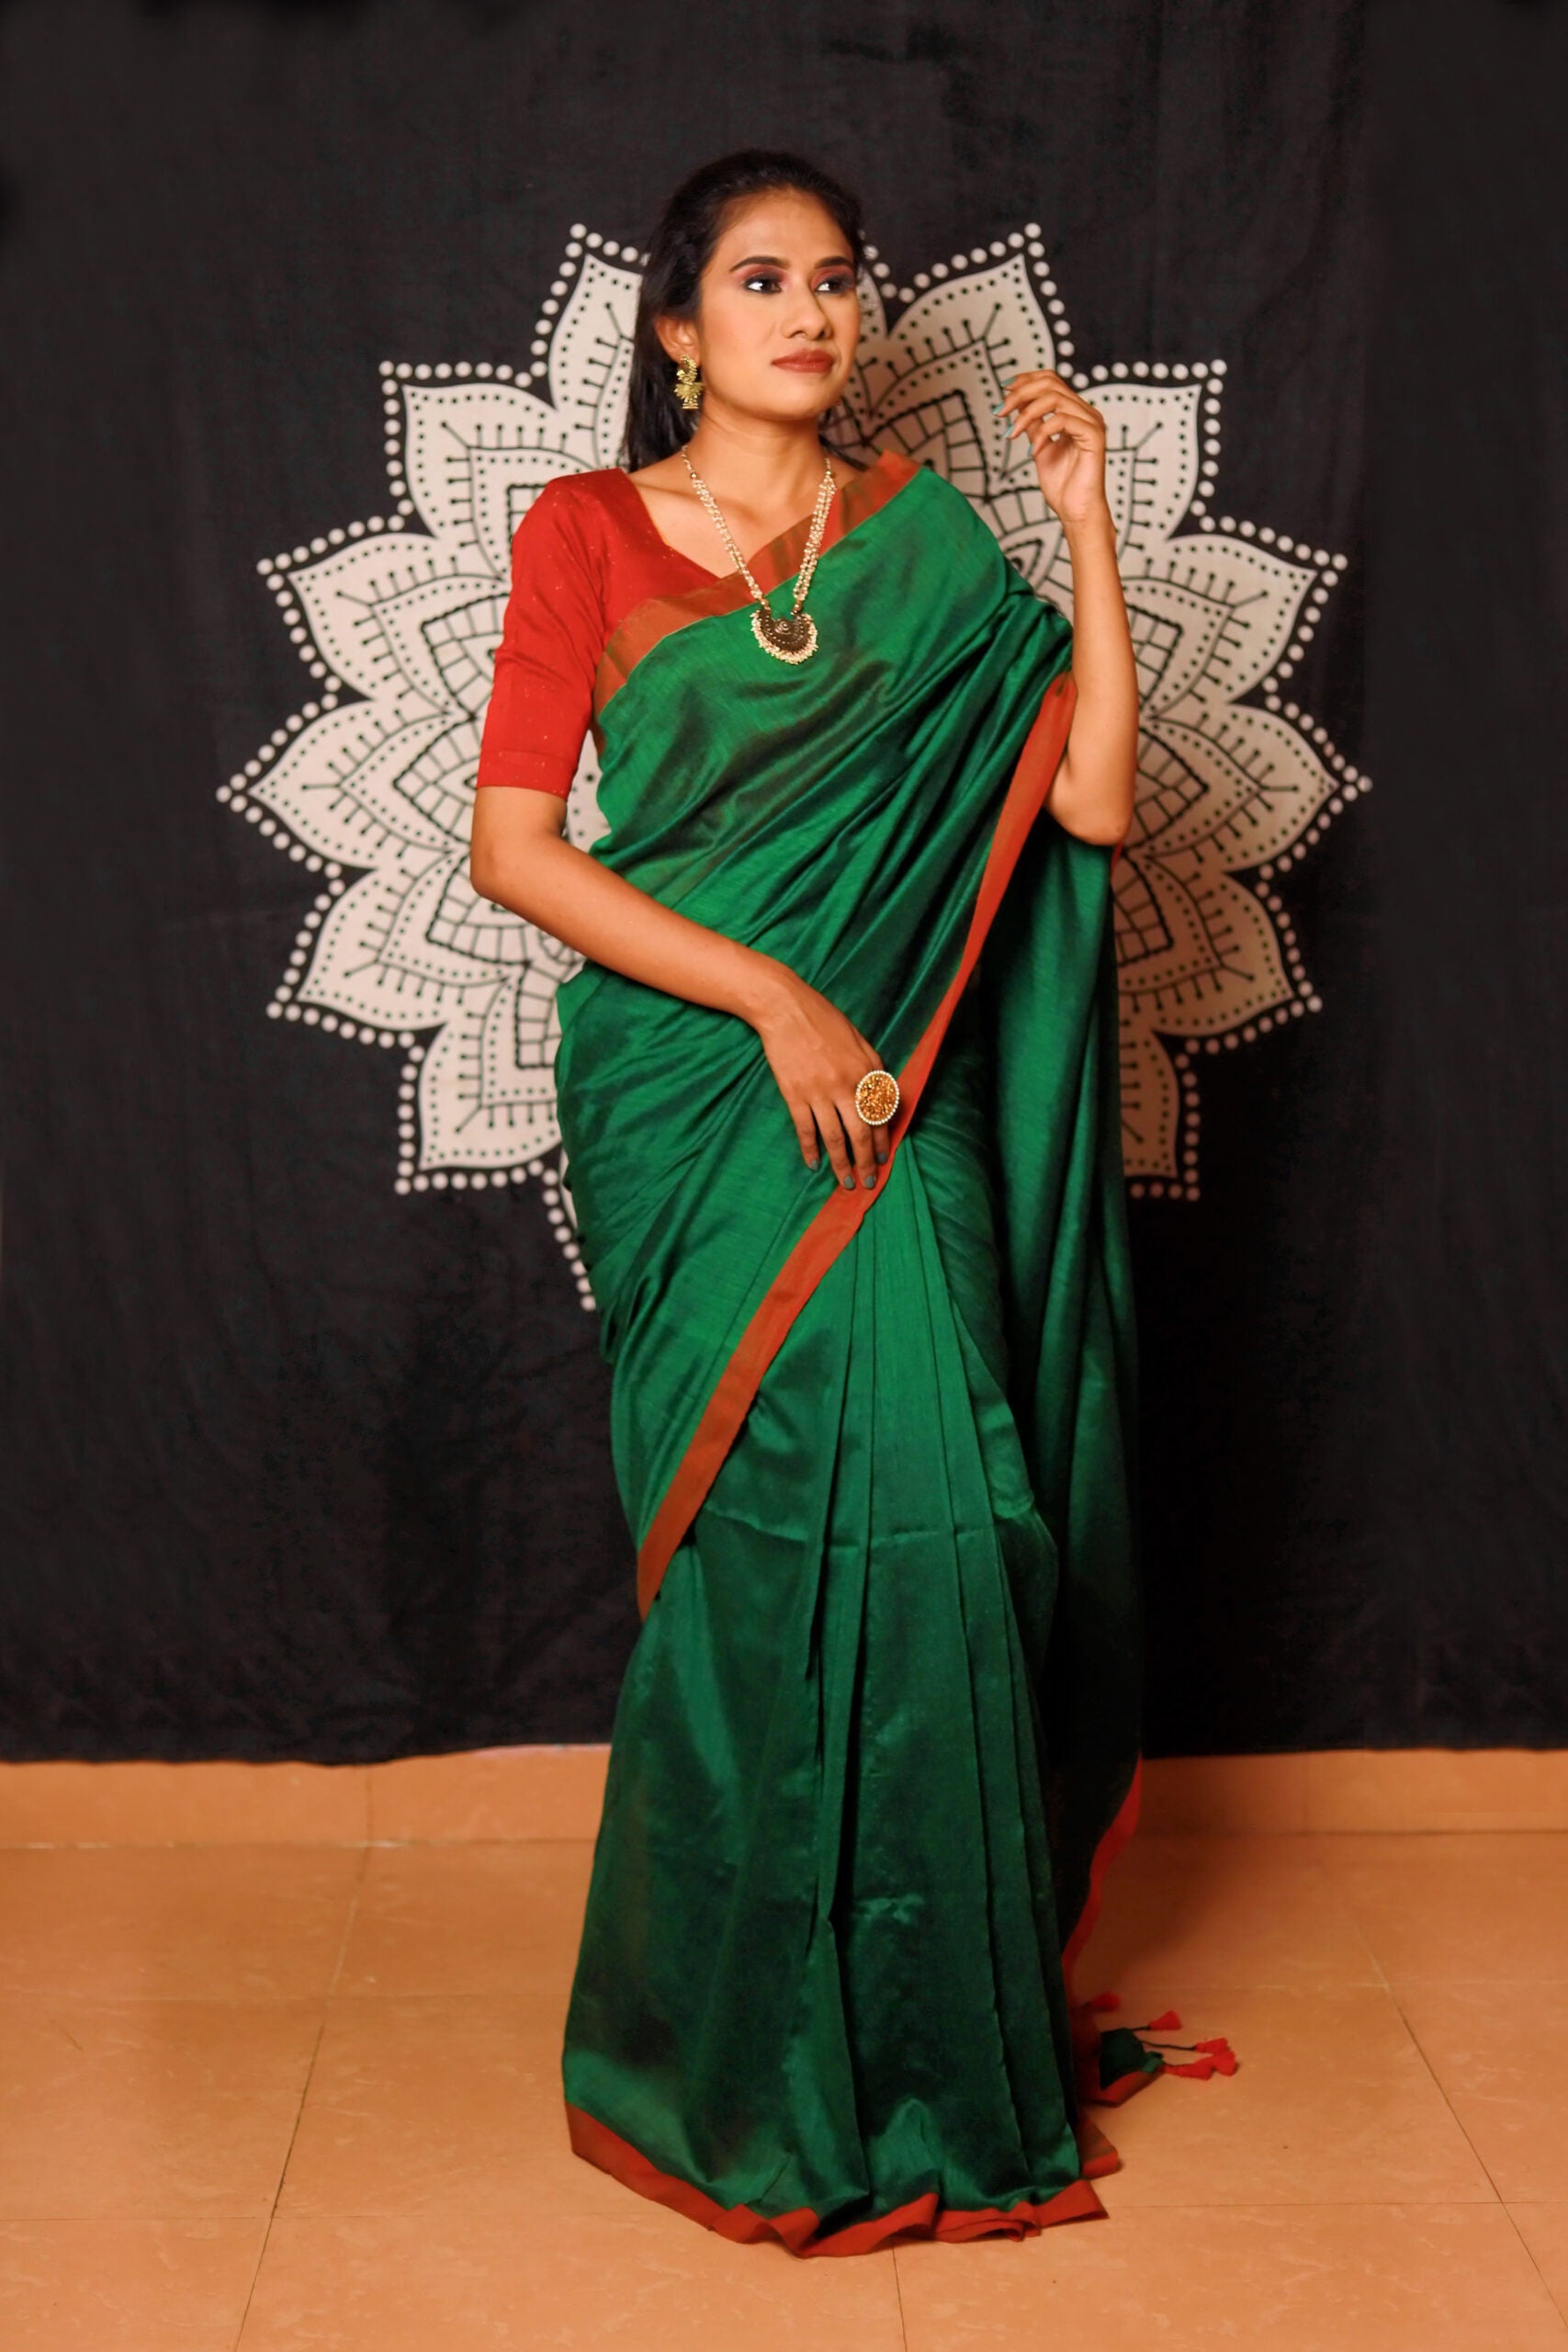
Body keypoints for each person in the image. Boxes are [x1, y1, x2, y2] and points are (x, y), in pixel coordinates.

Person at [469, 147, 1168, 2256]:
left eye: (838, 280)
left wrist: (1082, 524)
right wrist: (771, 993)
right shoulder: (584, 532)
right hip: (701, 1084)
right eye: (762, 279)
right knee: (762, 1565)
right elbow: (517, 847)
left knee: (957, 1521)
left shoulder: (927, 543)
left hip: (896, 1082)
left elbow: (1092, 799)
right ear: (677, 326)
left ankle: (940, 2044)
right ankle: (731, 2056)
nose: (812, 310)